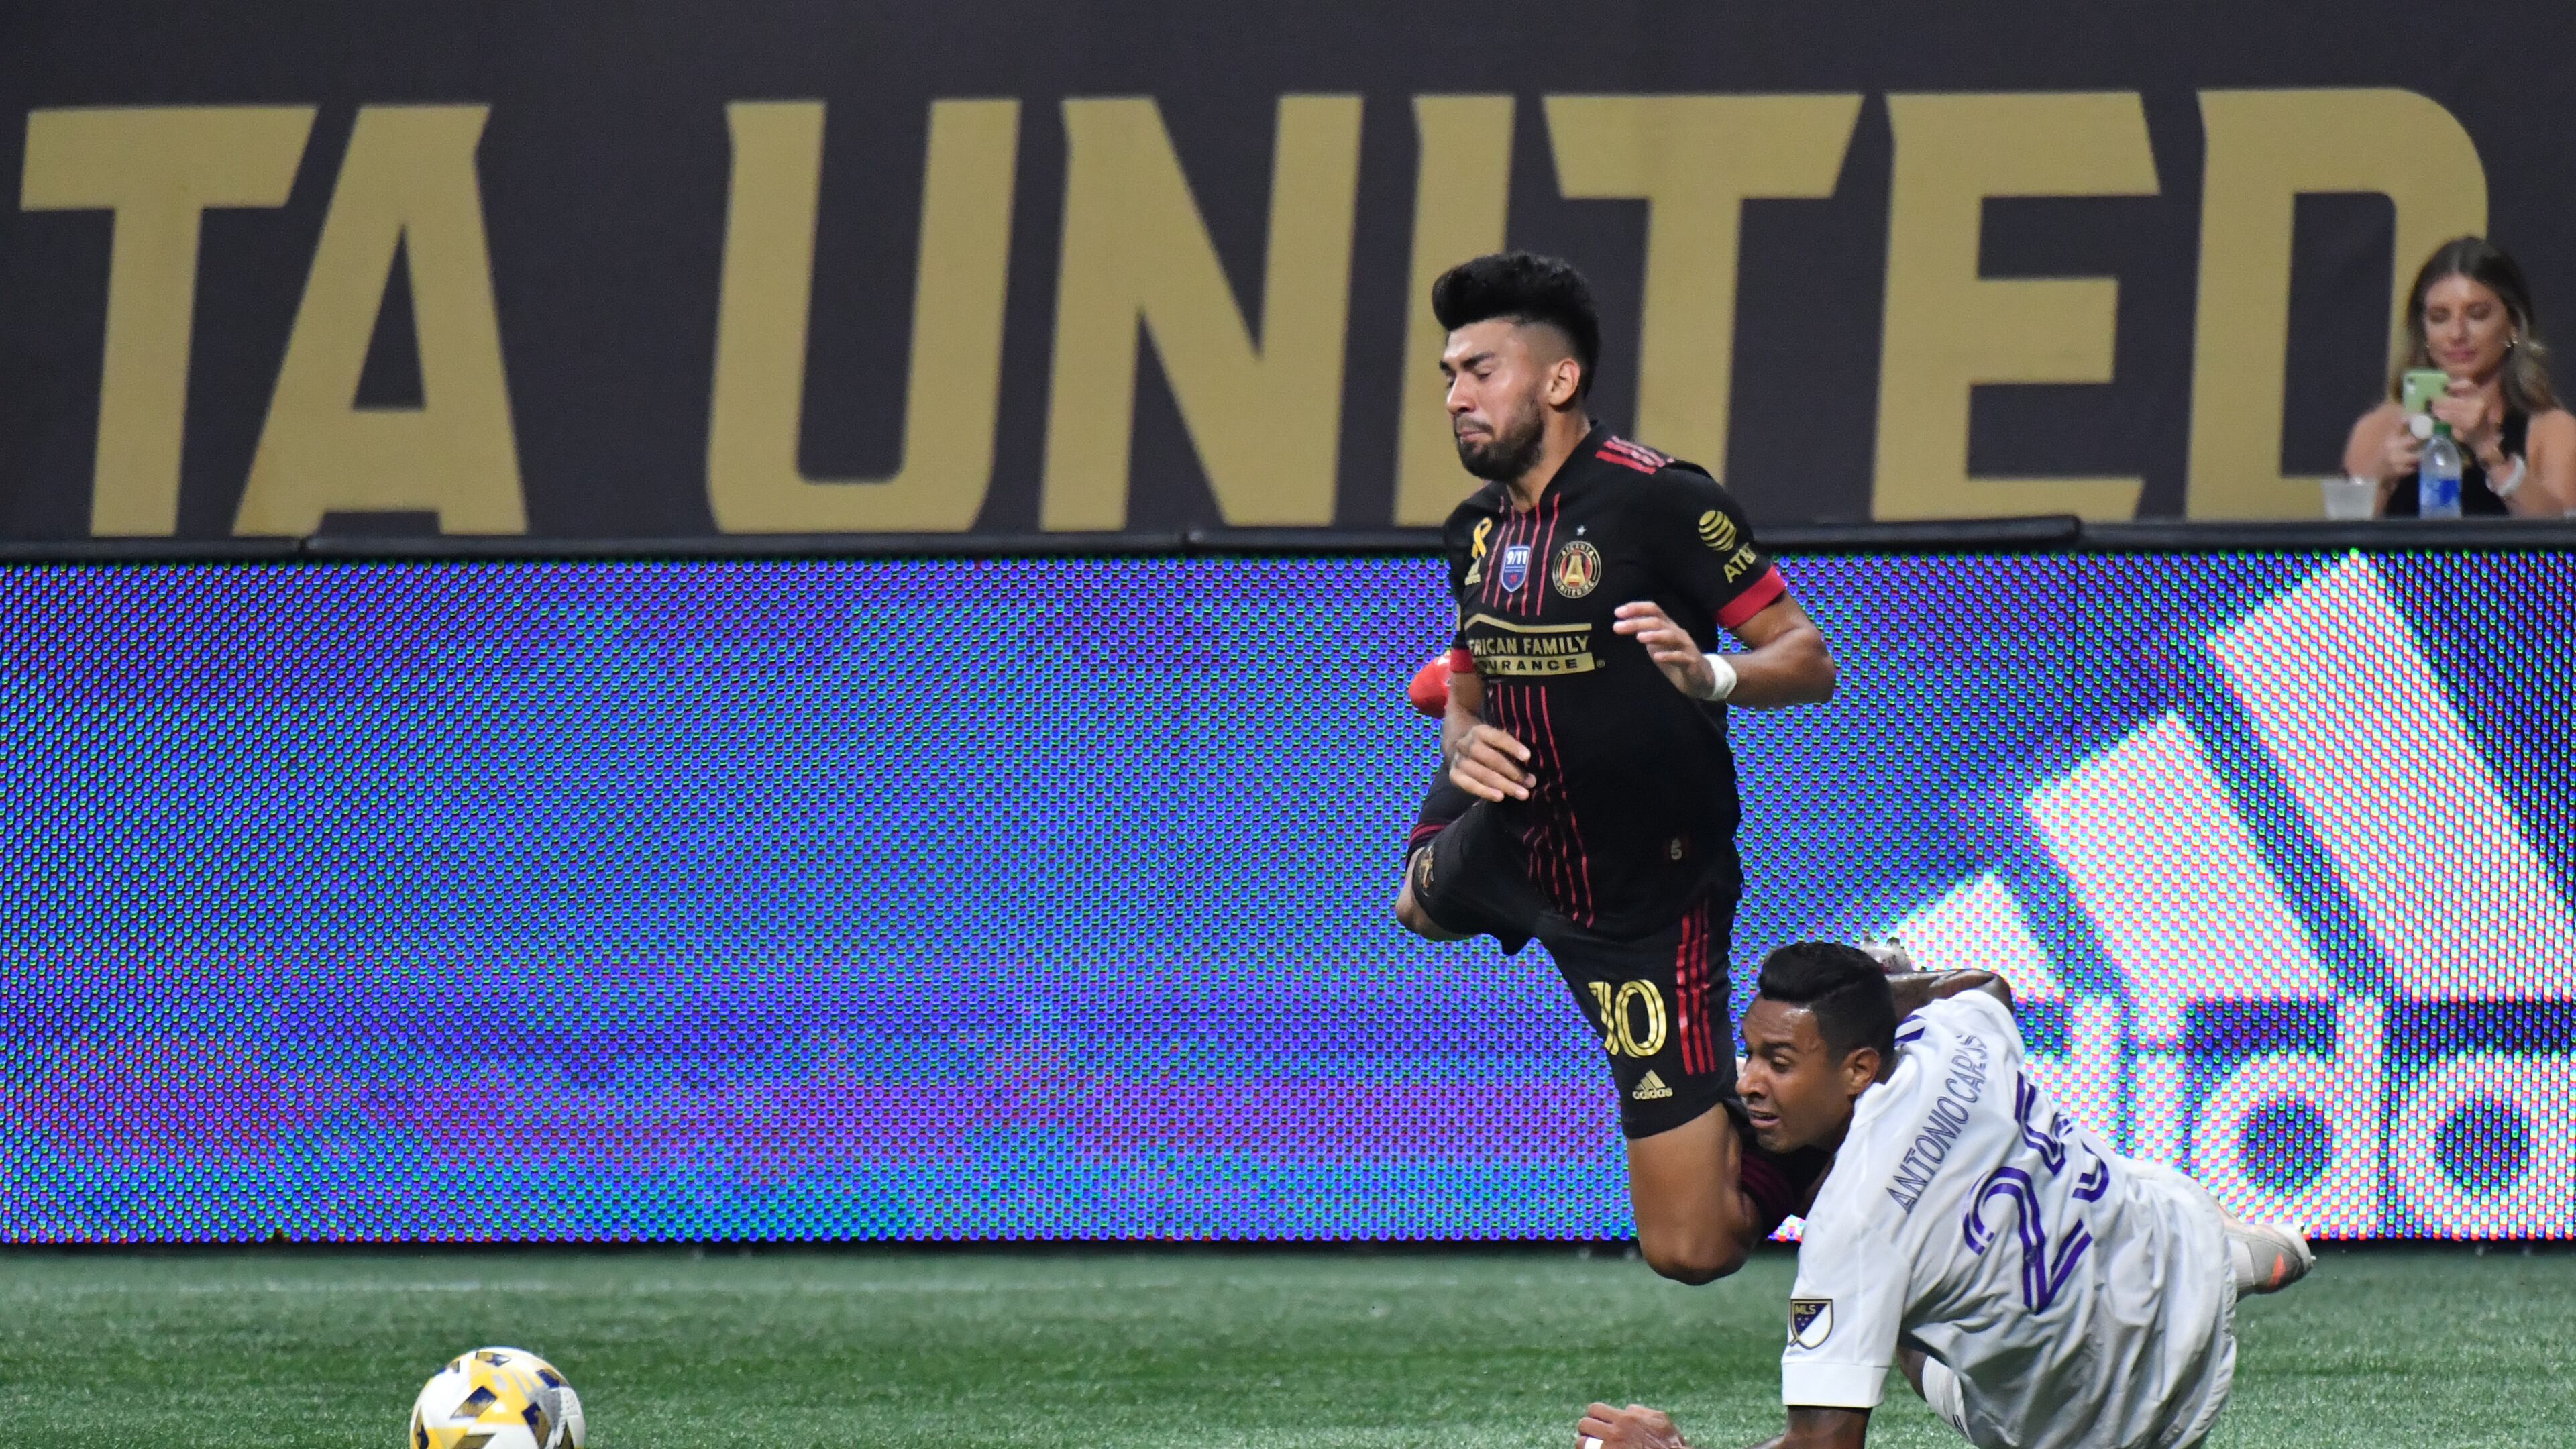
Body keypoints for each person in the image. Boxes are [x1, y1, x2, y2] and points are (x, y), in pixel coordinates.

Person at [1390, 251, 1839, 1283]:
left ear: (1558, 381)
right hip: (1518, 844)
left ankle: (1846, 1110)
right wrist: (1461, 734)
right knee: (1413, 902)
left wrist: (1711, 675)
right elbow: (1468, 678)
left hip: (1645, 897)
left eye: (1481, 371)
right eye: (1449, 374)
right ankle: (1452, 867)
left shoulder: (1663, 503)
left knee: (1690, 1249)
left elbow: (1806, 661)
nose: (1457, 395)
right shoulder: (1475, 531)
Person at [1572, 944, 2312, 1449]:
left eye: (1780, 1061)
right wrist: (1883, 987)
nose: (1747, 1080)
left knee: (1890, 1318)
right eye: (1754, 1053)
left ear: (1860, 1066)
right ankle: (2235, 1259)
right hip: (2173, 1248)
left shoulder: (1851, 1231)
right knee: (2077, 1179)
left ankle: (2232, 1262)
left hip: (2106, 1424)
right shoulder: (1951, 1037)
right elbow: (1983, 985)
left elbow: (1823, 1446)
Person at [2343, 236, 2575, 517]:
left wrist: (2491, 453)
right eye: (2440, 317)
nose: (2456, 335)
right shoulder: (2377, 432)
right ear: (2423, 330)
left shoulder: (2551, 432)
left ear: (2513, 325)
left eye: (2477, 315)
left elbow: (2561, 547)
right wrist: (2380, 480)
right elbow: (2343, 550)